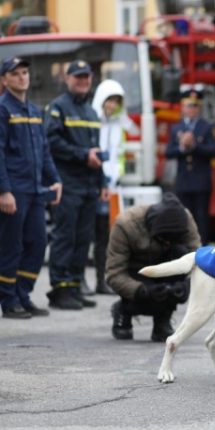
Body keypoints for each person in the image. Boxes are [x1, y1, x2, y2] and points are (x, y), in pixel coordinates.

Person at [0, 57, 62, 319]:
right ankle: (8, 300)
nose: (22, 77)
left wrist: (55, 179)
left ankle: (22, 294)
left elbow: (44, 151)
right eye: (15, 73)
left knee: (38, 242)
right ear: (4, 80)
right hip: (14, 190)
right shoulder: (3, 110)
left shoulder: (35, 111)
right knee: (11, 246)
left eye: (25, 72)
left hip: (35, 189)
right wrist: (4, 191)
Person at [45, 60, 106, 310]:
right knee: (65, 236)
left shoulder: (91, 112)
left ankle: (74, 285)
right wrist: (82, 155)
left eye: (86, 77)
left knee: (83, 239)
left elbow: (96, 151)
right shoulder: (58, 107)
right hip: (67, 183)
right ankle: (59, 289)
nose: (82, 81)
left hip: (89, 185)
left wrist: (102, 181)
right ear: (67, 79)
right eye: (77, 77)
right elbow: (51, 141)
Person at [106, 193, 199, 341]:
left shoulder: (185, 220)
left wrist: (186, 285)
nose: (167, 243)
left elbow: (198, 261)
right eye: (164, 239)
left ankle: (163, 319)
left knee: (182, 255)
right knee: (145, 296)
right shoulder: (126, 225)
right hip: (137, 272)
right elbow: (114, 274)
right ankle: (124, 309)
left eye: (172, 240)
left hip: (165, 268)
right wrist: (142, 290)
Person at [91, 79, 140, 295]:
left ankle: (106, 279)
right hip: (97, 185)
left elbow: (122, 148)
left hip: (114, 186)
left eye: (116, 101)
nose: (112, 105)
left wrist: (116, 176)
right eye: (109, 100)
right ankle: (95, 280)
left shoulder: (119, 123)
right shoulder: (94, 121)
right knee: (97, 235)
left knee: (112, 235)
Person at [166, 86, 215, 245]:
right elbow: (168, 152)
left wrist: (194, 146)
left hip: (201, 181)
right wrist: (182, 147)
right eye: (189, 105)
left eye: (195, 106)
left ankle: (202, 249)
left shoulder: (206, 126)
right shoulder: (176, 128)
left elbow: (213, 151)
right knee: (184, 217)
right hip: (183, 181)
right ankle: (185, 249)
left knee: (202, 218)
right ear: (183, 107)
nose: (192, 109)